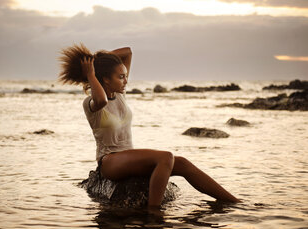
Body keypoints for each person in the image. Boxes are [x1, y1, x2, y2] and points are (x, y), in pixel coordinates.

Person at [58, 42, 241, 210]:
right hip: (110, 162)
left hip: (127, 158)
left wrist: (95, 62)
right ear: (105, 80)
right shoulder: (91, 103)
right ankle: (154, 213)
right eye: (121, 77)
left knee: (182, 163)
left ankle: (234, 202)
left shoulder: (120, 94)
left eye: (126, 76)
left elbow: (127, 52)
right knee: (166, 157)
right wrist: (90, 74)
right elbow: (101, 99)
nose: (126, 81)